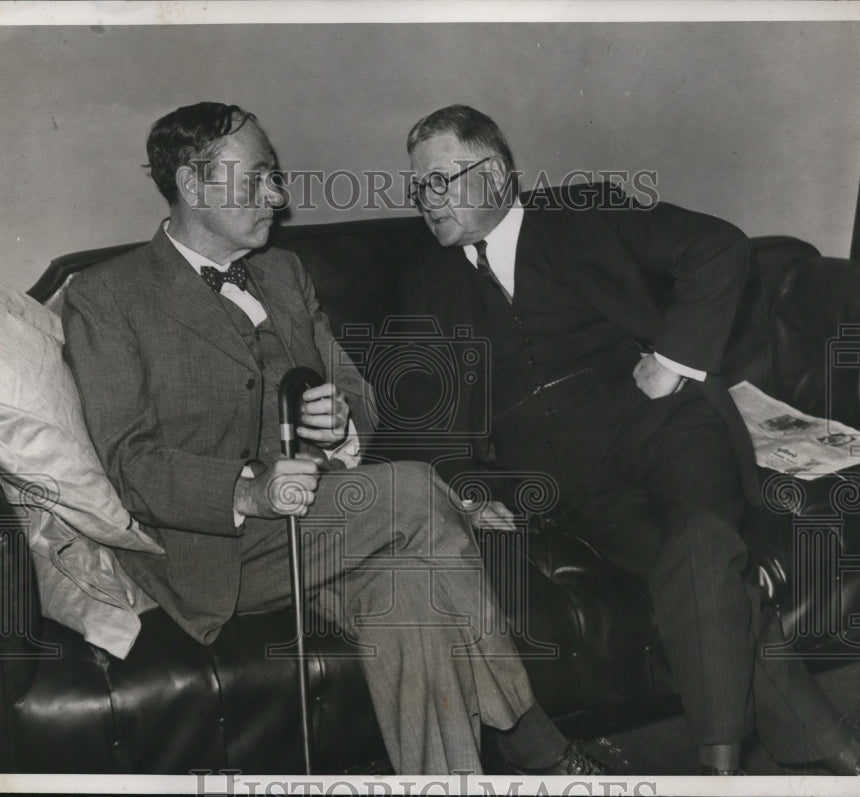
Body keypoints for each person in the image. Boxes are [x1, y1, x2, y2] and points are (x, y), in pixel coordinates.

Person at [61, 101, 607, 776]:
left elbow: (356, 396)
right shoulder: (106, 296)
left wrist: (342, 429)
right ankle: (531, 738)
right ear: (194, 187)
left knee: (413, 597)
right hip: (218, 546)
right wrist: (251, 490)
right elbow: (128, 462)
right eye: (258, 177)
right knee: (413, 489)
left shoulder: (285, 274)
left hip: (323, 521)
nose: (279, 194)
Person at [396, 103, 860, 776]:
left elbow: (720, 246)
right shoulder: (427, 283)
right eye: (419, 187)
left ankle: (718, 769)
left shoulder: (583, 214)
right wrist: (471, 494)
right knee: (694, 570)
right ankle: (835, 746)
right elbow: (427, 419)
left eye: (442, 180)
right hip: (568, 482)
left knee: (700, 540)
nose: (428, 201)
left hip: (663, 427)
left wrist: (676, 360)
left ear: (498, 173)